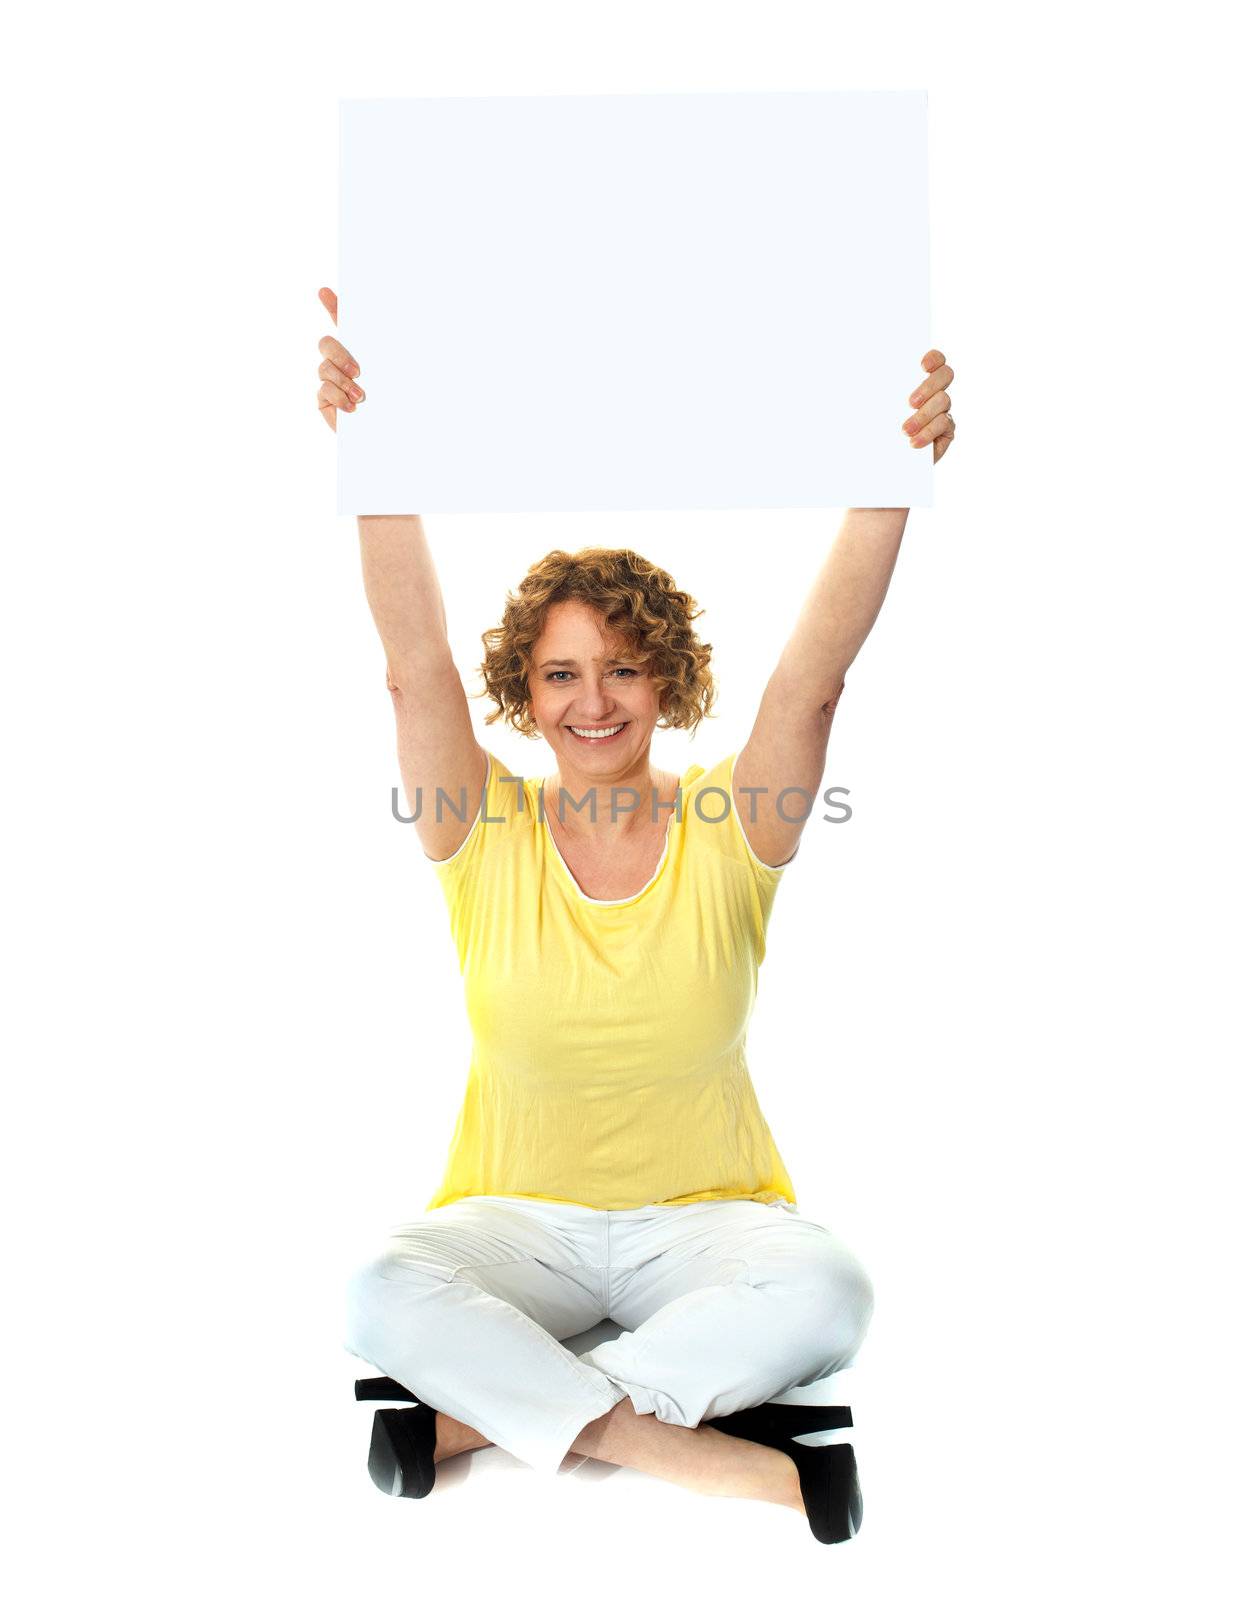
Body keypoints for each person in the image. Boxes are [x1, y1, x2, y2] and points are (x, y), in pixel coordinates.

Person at [315, 286, 956, 1544]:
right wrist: (370, 451)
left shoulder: (734, 822)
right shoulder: (477, 825)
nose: (592, 700)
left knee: (830, 1287)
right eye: (560, 672)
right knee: (380, 1286)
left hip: (708, 1226)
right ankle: (704, 1447)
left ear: (667, 674)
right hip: (515, 1222)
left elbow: (816, 681)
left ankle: (479, 1420)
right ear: (525, 690)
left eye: (621, 666)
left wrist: (897, 470)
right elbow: (410, 663)